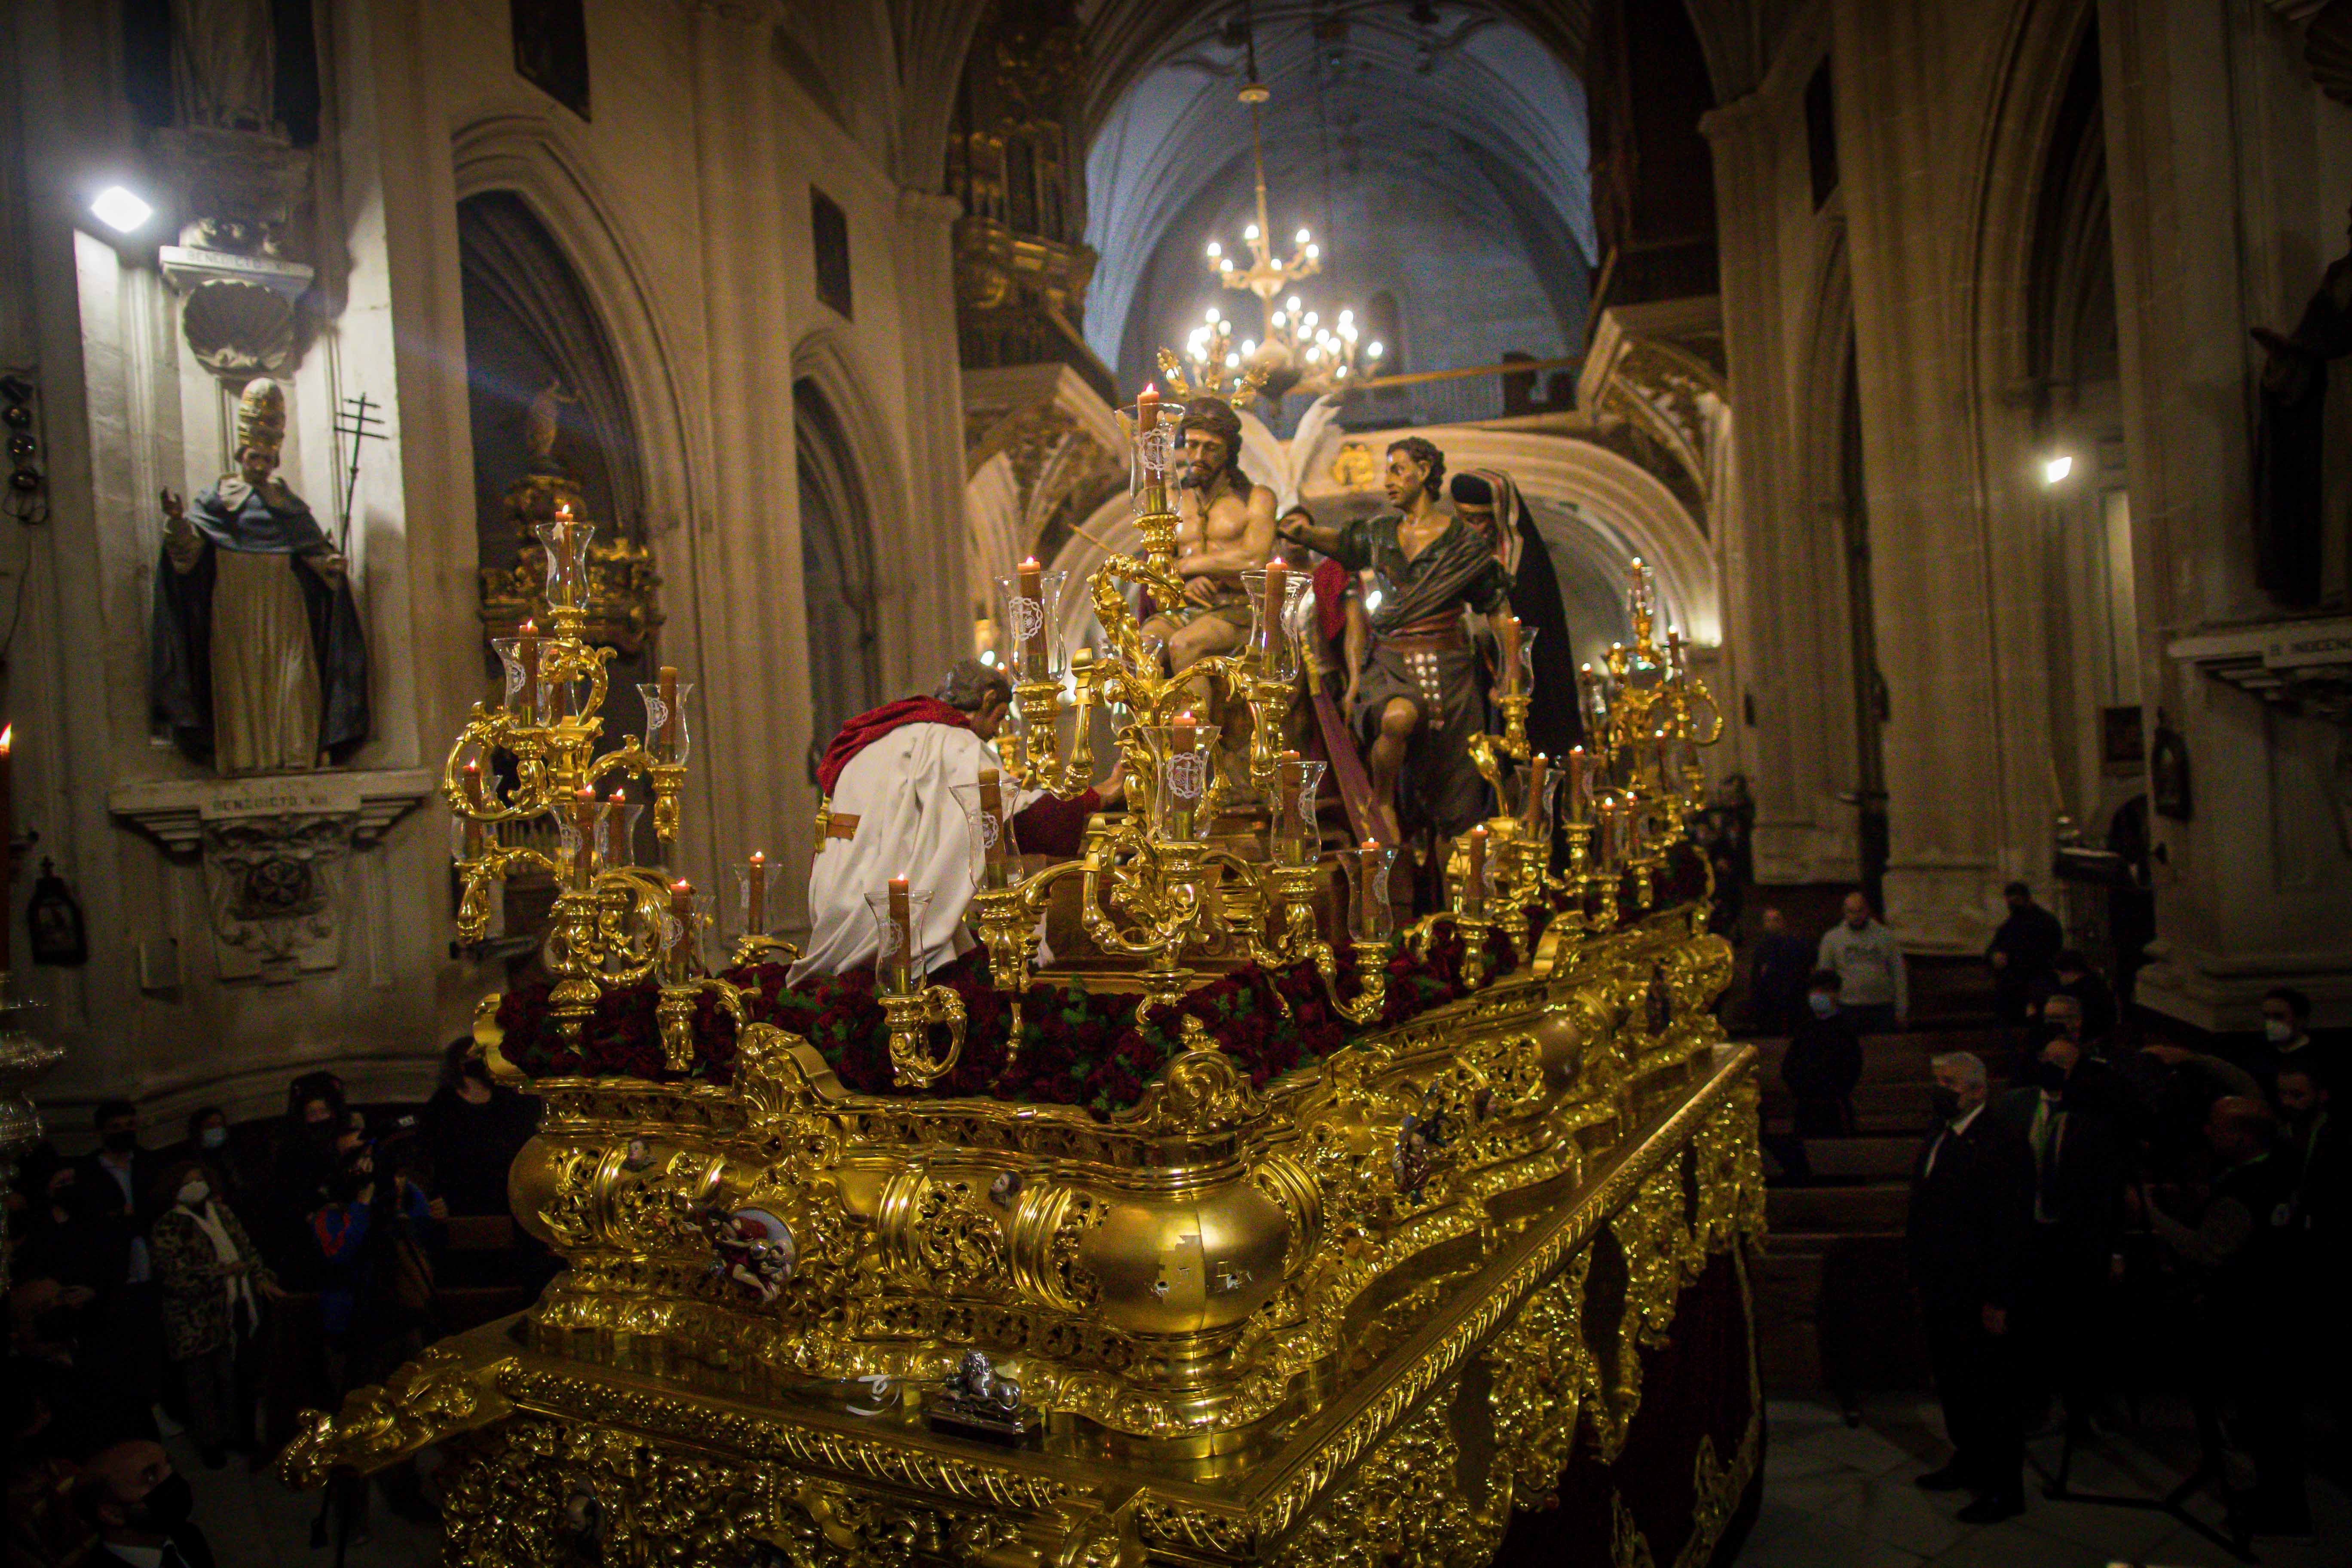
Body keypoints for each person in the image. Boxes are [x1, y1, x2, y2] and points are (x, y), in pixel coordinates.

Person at [792, 660, 1124, 983]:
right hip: (882, 916)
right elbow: (1015, 820)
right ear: (988, 700)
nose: (996, 733)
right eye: (999, 718)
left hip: (833, 898)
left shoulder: (880, 739)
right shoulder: (949, 742)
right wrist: (1101, 795)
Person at [1281, 437, 1515, 845]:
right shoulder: (1381, 533)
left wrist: (1511, 673)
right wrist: (1304, 534)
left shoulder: (1461, 542)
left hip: (1450, 667)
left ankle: (1458, 888)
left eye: (1397, 469)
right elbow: (1343, 544)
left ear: (1424, 473)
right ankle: (1383, 799)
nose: (1387, 480)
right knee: (1397, 718)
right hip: (1391, 662)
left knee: (1459, 802)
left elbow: (1497, 606)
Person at [149, 376, 368, 774]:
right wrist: (179, 522)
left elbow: (313, 553)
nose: (261, 463)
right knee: (239, 685)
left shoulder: (288, 505)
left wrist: (330, 566)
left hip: (284, 604)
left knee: (294, 681)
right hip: (234, 600)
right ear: (242, 453)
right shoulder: (217, 501)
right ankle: (244, 759)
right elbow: (187, 556)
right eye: (255, 456)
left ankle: (297, 754)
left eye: (268, 457)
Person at [2141, 1097, 2308, 1536]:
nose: (2207, 1133)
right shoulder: (2282, 1164)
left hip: (2251, 1314)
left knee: (2265, 1417)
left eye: (2216, 1127)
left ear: (2241, 1137)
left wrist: (2151, 1215)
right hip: (2281, 1305)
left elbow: (2208, 1249)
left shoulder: (2243, 1190)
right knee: (2274, 1415)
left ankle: (2283, 1511)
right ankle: (2278, 1495)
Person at [1906, 1050, 2033, 1522]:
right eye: (1937, 1078)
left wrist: (2000, 1297)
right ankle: (1969, 1460)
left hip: (1978, 1289)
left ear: (1979, 1090)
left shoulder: (2001, 1141)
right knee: (1956, 1383)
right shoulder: (1940, 1132)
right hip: (1943, 1285)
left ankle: (2004, 1487)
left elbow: (2010, 1227)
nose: (1941, 1088)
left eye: (1952, 1082)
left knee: (1991, 1390)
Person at [1990, 1032, 2128, 1439]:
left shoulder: (2094, 1117)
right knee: (2031, 1327)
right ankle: (2035, 1404)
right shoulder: (2015, 1106)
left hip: (2075, 1240)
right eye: (2047, 1058)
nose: (2053, 1067)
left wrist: (2116, 1250)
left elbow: (2110, 1189)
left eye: (2062, 1062)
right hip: (2028, 1234)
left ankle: (2080, 1410)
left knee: (2079, 1329)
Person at [150, 1159, 280, 1468]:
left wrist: (260, 1277)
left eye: (199, 1180)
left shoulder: (222, 1213)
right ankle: (211, 1443)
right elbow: (175, 1276)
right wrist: (224, 1271)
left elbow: (248, 1251)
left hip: (235, 1307)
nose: (195, 1186)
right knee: (202, 1386)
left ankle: (239, 1435)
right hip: (195, 1319)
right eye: (187, 1182)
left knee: (234, 1379)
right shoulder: (168, 1225)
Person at [1139, 395, 1278, 677]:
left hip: (1238, 612)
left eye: (1211, 448)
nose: (1199, 457)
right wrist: (1183, 586)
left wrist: (1187, 566)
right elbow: (1158, 565)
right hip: (1185, 609)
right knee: (1143, 647)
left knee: (1186, 644)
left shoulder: (1257, 498)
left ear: (1229, 452)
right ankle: (1150, 722)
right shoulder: (1171, 500)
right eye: (1192, 445)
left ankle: (1197, 723)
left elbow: (1253, 560)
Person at [1448, 468, 1579, 759]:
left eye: (1476, 521)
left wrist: (1509, 679)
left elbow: (1526, 630)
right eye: (1462, 520)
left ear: (1497, 518)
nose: (1468, 530)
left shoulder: (1526, 567)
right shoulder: (1466, 559)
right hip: (1480, 680)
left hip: (1529, 688)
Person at [1764, 971, 1863, 1184]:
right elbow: (1789, 1067)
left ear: (1836, 994)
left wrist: (1829, 1089)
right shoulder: (1806, 1029)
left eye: (1825, 991)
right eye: (1815, 991)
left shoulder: (1845, 1030)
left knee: (1838, 1162)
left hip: (1834, 1106)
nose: (1818, 996)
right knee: (1807, 1162)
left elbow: (1851, 1068)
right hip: (1806, 1106)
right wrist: (1802, 1090)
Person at [423, 1036, 538, 1218]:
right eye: (470, 1058)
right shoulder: (443, 1104)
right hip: (460, 1192)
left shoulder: (505, 1098)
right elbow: (433, 1153)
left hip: (502, 1189)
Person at [74, 1438, 214, 1568]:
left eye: (169, 1465)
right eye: (151, 1477)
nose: (172, 1479)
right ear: (112, 1514)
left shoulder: (189, 1535)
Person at [1817, 892, 1908, 1035]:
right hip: (1848, 1006)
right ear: (1845, 912)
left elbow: (1898, 973)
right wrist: (1824, 1012)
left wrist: (1901, 1008)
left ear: (1867, 911)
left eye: (1860, 911)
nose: (1856, 916)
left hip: (1881, 1006)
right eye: (1851, 912)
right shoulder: (1832, 939)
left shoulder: (1886, 936)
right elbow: (1824, 978)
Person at [1985, 881, 2063, 1024]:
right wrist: (1995, 955)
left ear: (2027, 899)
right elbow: (1995, 946)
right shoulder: (2010, 925)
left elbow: (2046, 952)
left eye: (2016, 901)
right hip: (2015, 982)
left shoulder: (2046, 923)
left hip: (2037, 979)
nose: (2013, 906)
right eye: (2010, 902)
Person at [1748, 906, 1814, 1035]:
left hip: (1792, 1006)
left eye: (1776, 920)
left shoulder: (1796, 946)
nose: (1772, 924)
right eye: (1769, 920)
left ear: (1783, 922)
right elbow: (1757, 980)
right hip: (1769, 1007)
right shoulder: (1761, 949)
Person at [2245, 985, 2321, 1090]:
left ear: (2300, 1020)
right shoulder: (2258, 1057)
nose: (2271, 1023)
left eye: (2278, 1017)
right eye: (2267, 1017)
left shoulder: (2318, 1057)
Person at [2046, 949, 2117, 1050]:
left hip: (2079, 1045)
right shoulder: (2101, 987)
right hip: (2103, 1044)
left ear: (2063, 972)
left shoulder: (2069, 994)